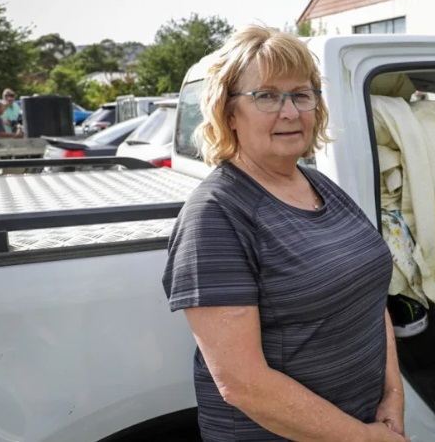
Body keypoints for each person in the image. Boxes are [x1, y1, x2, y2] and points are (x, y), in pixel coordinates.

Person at [162, 25, 407, 442]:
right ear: (229, 112)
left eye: (301, 94)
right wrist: (365, 438)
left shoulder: (321, 186)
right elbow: (243, 383)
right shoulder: (216, 215)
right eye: (267, 96)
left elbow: (369, 299)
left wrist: (393, 395)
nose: (291, 111)